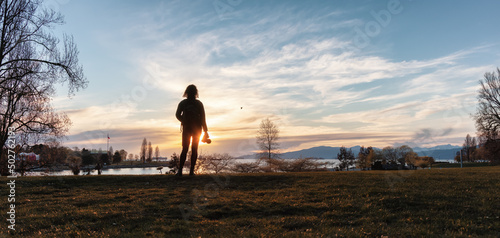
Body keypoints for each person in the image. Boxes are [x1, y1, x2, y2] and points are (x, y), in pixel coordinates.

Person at [175, 84, 208, 176]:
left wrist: (184, 121)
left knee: (184, 149)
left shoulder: (183, 103)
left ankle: (180, 171)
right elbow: (203, 118)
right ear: (195, 93)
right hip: (197, 129)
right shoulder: (199, 103)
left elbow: (177, 115)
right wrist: (206, 131)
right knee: (194, 149)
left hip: (187, 128)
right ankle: (191, 172)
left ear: (186, 92)